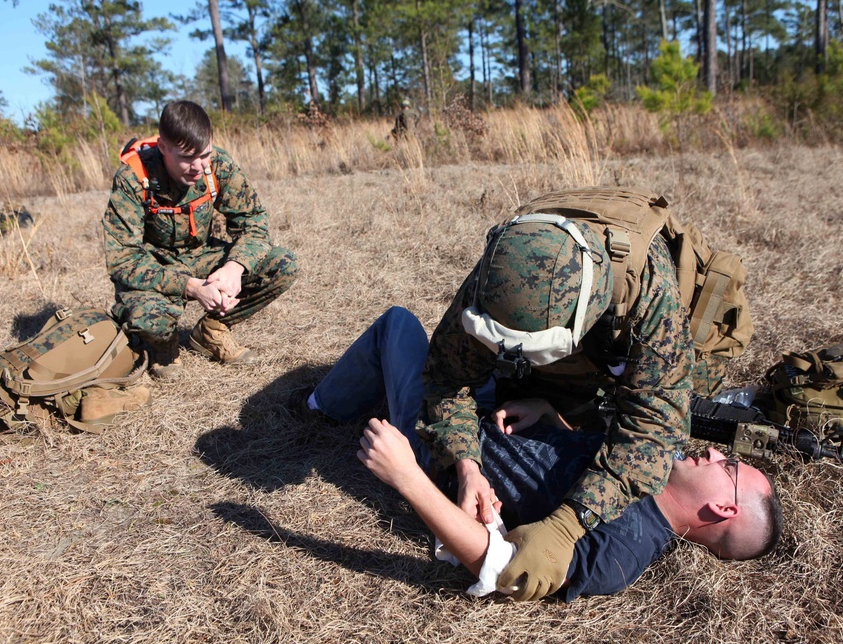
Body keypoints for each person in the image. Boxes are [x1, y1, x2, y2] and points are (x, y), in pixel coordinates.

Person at [293, 307, 783, 601]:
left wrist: (406, 476)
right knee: (475, 336)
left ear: (723, 508)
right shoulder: (652, 465)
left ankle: (319, 407)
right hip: (490, 417)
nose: (718, 454)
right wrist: (548, 414)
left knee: (398, 326)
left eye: (730, 467)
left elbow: (498, 568)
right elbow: (576, 453)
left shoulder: (622, 551)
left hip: (436, 452)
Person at [420, 189, 708, 600]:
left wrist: (568, 525)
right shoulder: (497, 280)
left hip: (621, 343)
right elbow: (446, 379)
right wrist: (466, 466)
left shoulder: (653, 300)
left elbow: (654, 432)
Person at [102, 100, 298, 378]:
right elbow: (123, 261)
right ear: (163, 147)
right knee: (148, 320)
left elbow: (253, 221)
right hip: (155, 267)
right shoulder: (133, 177)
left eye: (203, 155)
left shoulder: (217, 165)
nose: (197, 167)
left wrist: (234, 268)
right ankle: (161, 343)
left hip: (200, 255)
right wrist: (191, 287)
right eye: (186, 157)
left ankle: (212, 331)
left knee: (283, 264)